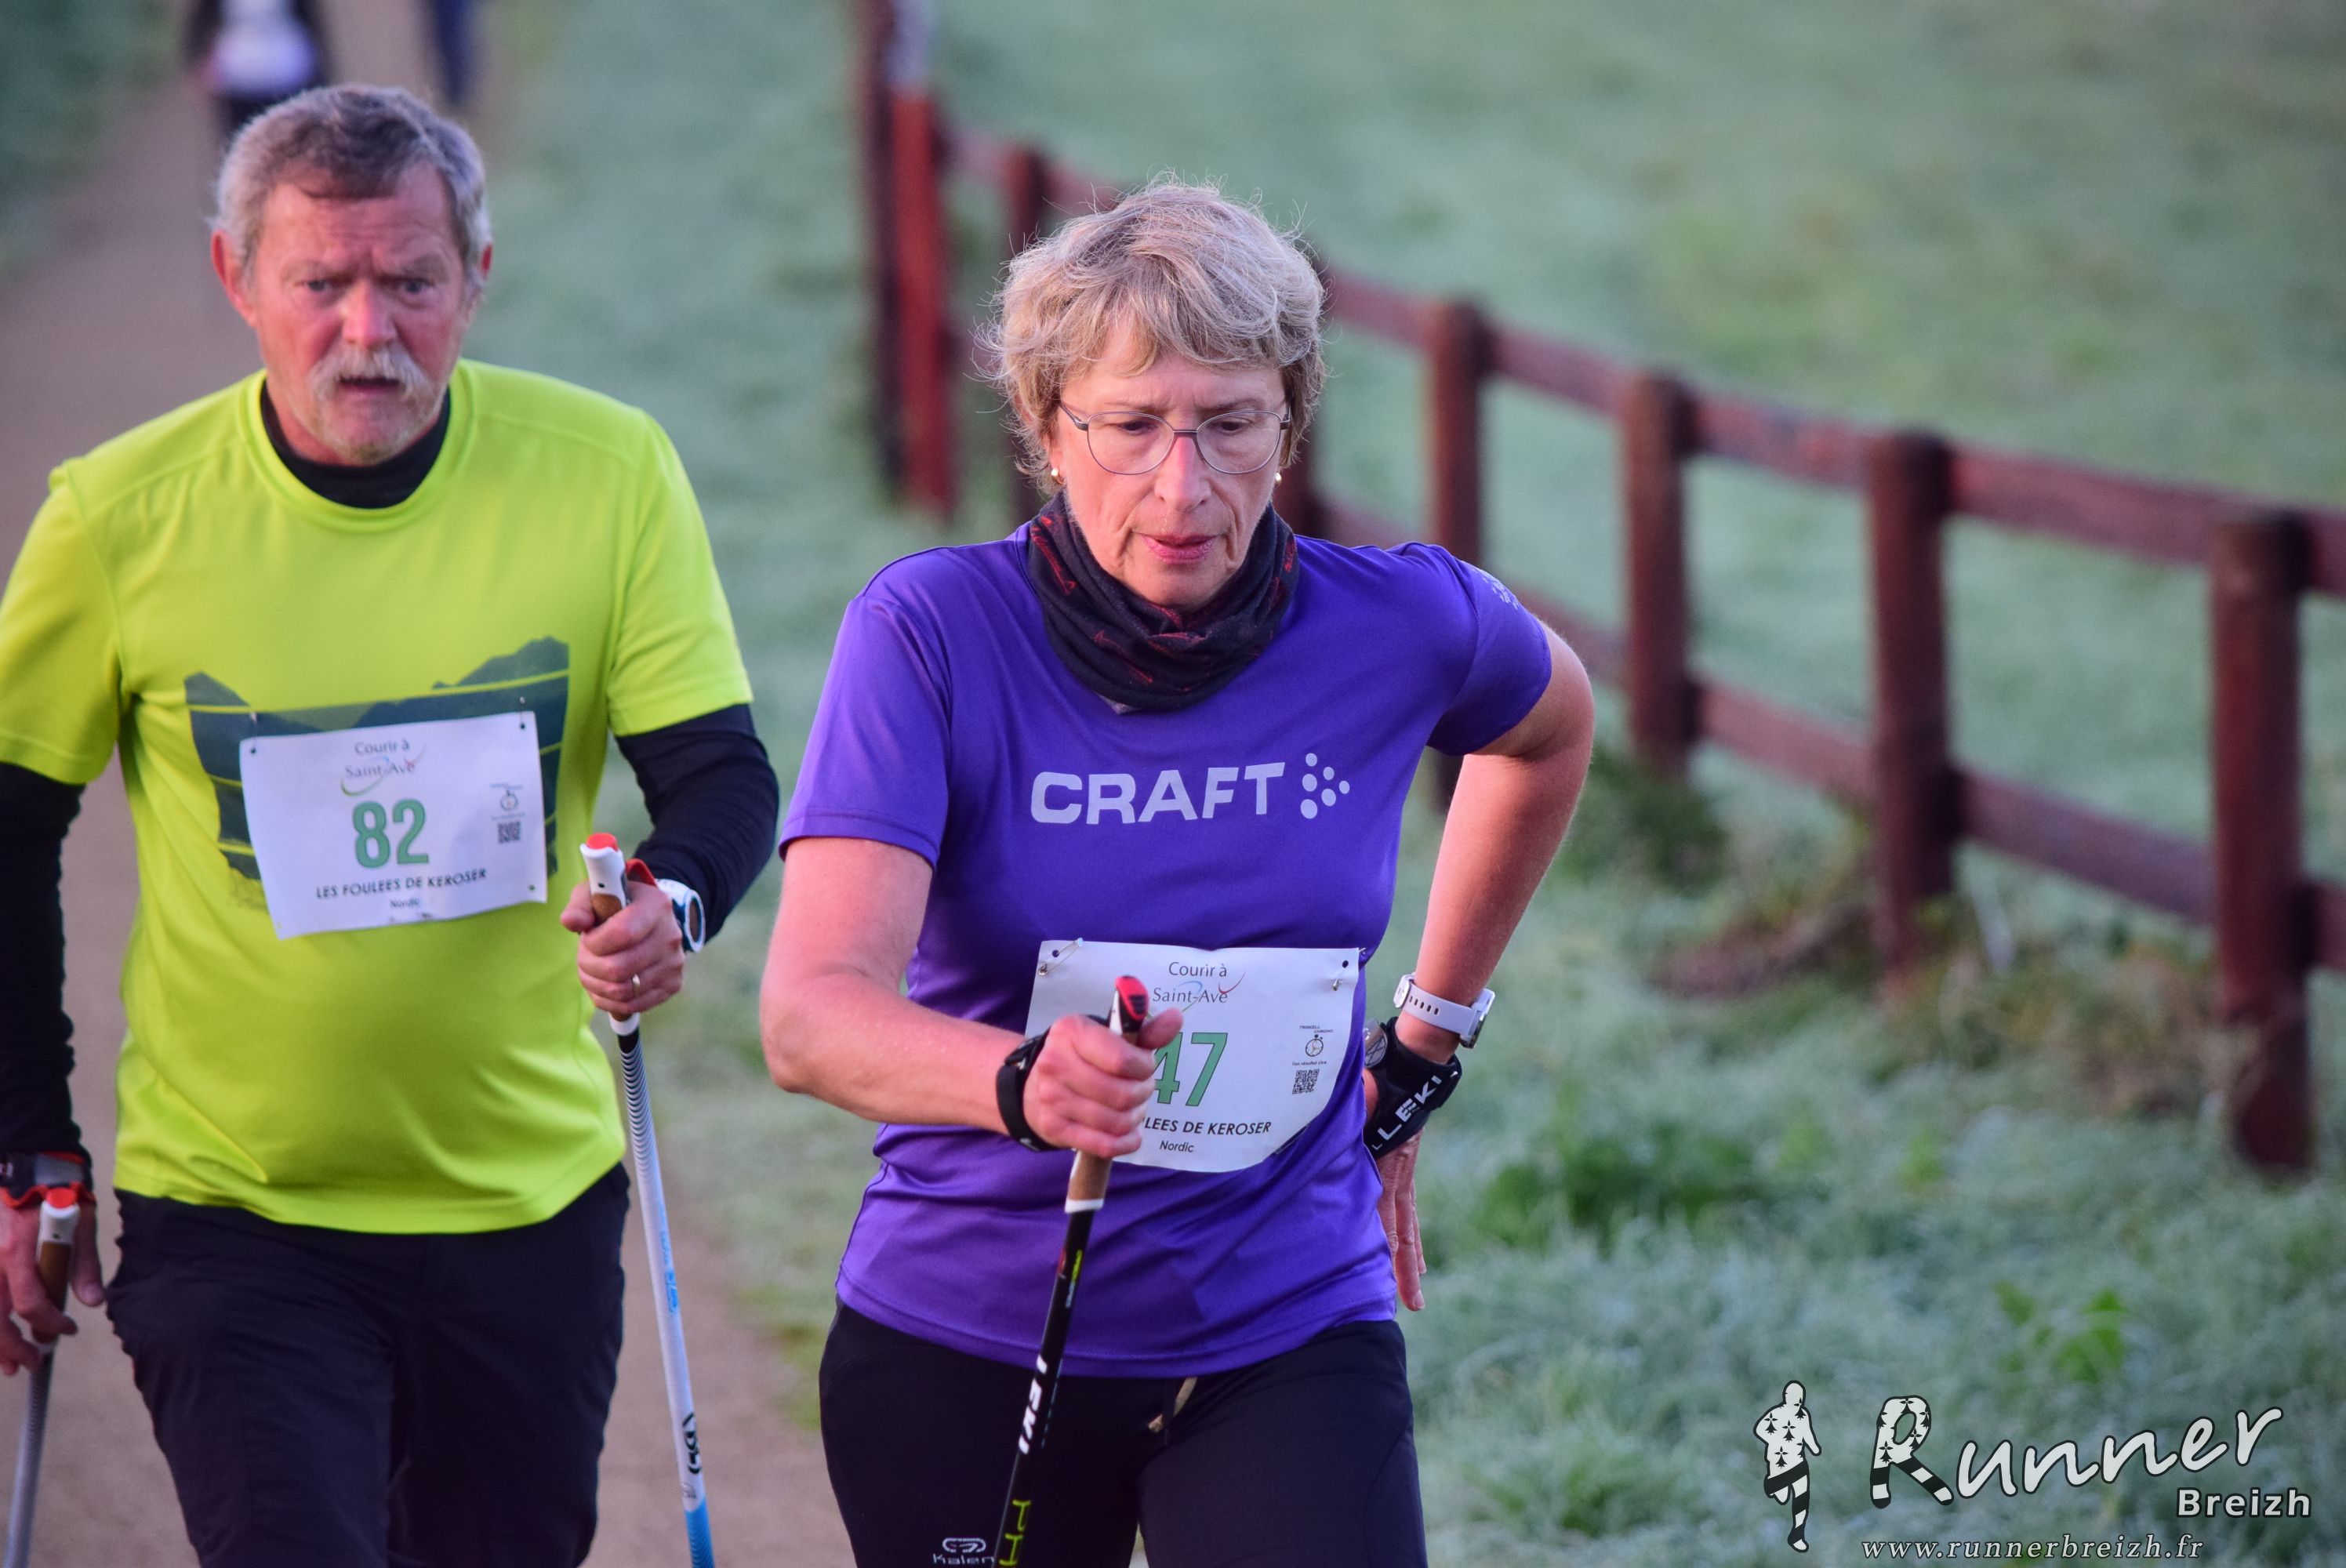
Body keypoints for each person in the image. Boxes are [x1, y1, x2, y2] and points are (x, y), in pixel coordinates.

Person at [761, 180, 1596, 1567]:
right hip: (973, 1340)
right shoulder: (931, 634)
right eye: (1133, 425)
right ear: (1048, 429)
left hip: (1288, 1330)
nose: (1183, 487)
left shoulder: (1403, 624)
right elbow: (808, 1018)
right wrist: (1023, 1083)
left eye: (1230, 424)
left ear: (1290, 424)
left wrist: (1428, 1039)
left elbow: (1549, 732)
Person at [0, 85, 777, 1567]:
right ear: (237, 278)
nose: (369, 333)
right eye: (322, 285)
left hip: (527, 1207)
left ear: (476, 274)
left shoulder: (608, 473)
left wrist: (669, 903)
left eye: (412, 282)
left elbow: (722, 777)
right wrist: (26, 1140)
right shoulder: (117, 515)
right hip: (236, 1212)